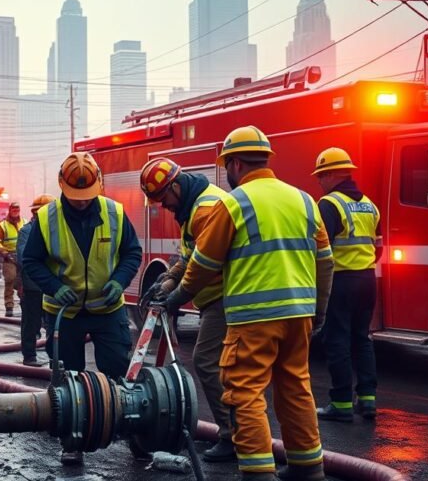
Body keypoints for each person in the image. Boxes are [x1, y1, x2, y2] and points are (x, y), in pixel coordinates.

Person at [165, 126, 333, 481]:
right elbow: (326, 260)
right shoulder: (304, 200)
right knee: (295, 387)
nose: (227, 173)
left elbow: (204, 263)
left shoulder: (233, 204)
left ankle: (258, 472)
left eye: (227, 165)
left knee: (244, 391)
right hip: (299, 314)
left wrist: (179, 296)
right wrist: (319, 310)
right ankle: (307, 467)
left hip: (253, 318)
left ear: (236, 164)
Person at [23, 152, 142, 466]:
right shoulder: (47, 218)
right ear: (62, 187)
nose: (80, 202)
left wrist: (120, 280)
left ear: (98, 187)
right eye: (74, 197)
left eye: (85, 197)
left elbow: (132, 252)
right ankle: (71, 440)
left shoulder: (114, 212)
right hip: (66, 312)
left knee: (119, 370)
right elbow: (31, 261)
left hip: (107, 308)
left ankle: (133, 433)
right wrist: (54, 286)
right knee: (67, 378)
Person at [138, 157, 235, 462]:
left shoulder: (205, 208)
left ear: (176, 186)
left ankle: (231, 437)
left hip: (225, 295)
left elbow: (204, 264)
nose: (162, 206)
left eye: (163, 197)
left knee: (205, 361)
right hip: (218, 297)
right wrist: (166, 281)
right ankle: (239, 433)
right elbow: (190, 255)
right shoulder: (193, 206)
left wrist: (177, 295)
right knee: (228, 368)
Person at [311, 148, 382, 423]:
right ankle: (368, 400)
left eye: (321, 176)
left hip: (340, 280)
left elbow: (320, 248)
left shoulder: (329, 204)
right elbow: (378, 247)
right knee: (361, 339)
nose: (319, 181)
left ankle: (341, 403)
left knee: (337, 339)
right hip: (367, 279)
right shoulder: (369, 204)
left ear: (331, 175)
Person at [16, 194, 54, 366]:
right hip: (33, 285)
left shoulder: (55, 229)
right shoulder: (27, 231)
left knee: (53, 324)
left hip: (52, 285)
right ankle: (29, 356)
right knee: (31, 322)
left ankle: (56, 357)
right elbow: (24, 258)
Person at [0, 202, 25, 317]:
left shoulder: (25, 222)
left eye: (17, 208)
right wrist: (4, 252)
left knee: (23, 281)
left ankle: (24, 303)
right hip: (9, 257)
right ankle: (9, 305)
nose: (15, 210)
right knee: (10, 280)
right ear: (10, 210)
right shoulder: (2, 225)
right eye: (13, 208)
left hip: (23, 256)